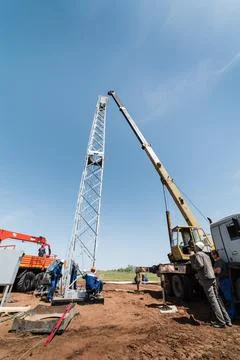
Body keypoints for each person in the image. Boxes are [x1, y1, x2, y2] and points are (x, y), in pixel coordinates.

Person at [190, 241, 232, 328]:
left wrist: (192, 261)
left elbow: (200, 266)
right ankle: (227, 320)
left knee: (213, 301)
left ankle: (221, 322)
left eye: (195, 246)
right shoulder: (206, 255)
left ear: (197, 247)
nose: (194, 247)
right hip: (212, 278)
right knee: (218, 299)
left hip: (206, 279)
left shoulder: (198, 254)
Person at [211, 250, 237, 322]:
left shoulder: (218, 262)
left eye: (212, 255)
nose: (212, 256)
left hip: (224, 281)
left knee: (229, 299)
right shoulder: (221, 261)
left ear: (215, 255)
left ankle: (232, 316)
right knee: (229, 298)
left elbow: (218, 271)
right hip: (224, 280)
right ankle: (231, 314)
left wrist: (212, 270)